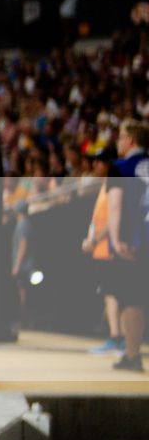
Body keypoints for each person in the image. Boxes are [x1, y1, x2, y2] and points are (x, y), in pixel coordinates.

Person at [104, 122, 149, 373]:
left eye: (121, 137)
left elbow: (115, 207)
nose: (118, 142)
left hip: (133, 244)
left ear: (130, 140)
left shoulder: (120, 168)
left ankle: (132, 355)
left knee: (131, 300)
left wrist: (116, 241)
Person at [81, 147, 122, 355]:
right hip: (99, 248)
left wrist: (95, 239)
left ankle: (117, 338)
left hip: (109, 249)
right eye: (94, 161)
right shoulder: (105, 184)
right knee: (108, 293)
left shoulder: (114, 184)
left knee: (112, 293)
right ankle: (115, 336)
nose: (95, 165)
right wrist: (90, 239)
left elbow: (114, 218)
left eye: (100, 161)